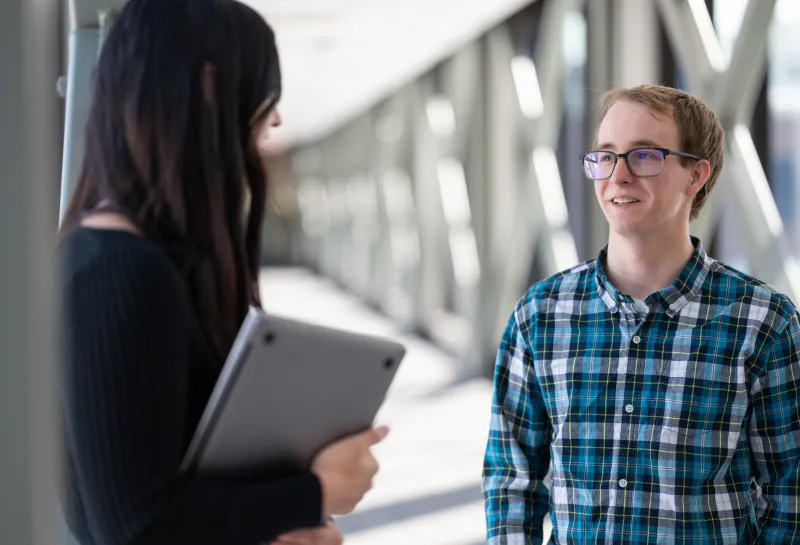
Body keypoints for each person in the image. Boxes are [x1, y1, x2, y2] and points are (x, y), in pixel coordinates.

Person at [56, 1, 387, 544]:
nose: (275, 118)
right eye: (266, 91)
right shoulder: (118, 271)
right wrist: (314, 492)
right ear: (209, 89)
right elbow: (139, 528)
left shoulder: (130, 261)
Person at [482, 84, 800, 543]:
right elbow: (512, 483)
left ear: (696, 176)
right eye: (605, 156)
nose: (618, 175)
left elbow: (790, 493)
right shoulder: (540, 316)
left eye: (644, 155)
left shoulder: (763, 321)